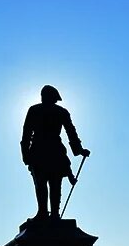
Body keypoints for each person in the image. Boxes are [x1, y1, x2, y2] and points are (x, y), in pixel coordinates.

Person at [20, 85, 91, 219]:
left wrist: (79, 150)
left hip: (46, 151)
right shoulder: (44, 111)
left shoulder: (51, 111)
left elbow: (71, 132)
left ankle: (52, 214)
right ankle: (46, 213)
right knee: (46, 183)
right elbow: (26, 134)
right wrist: (26, 154)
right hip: (48, 151)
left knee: (51, 183)